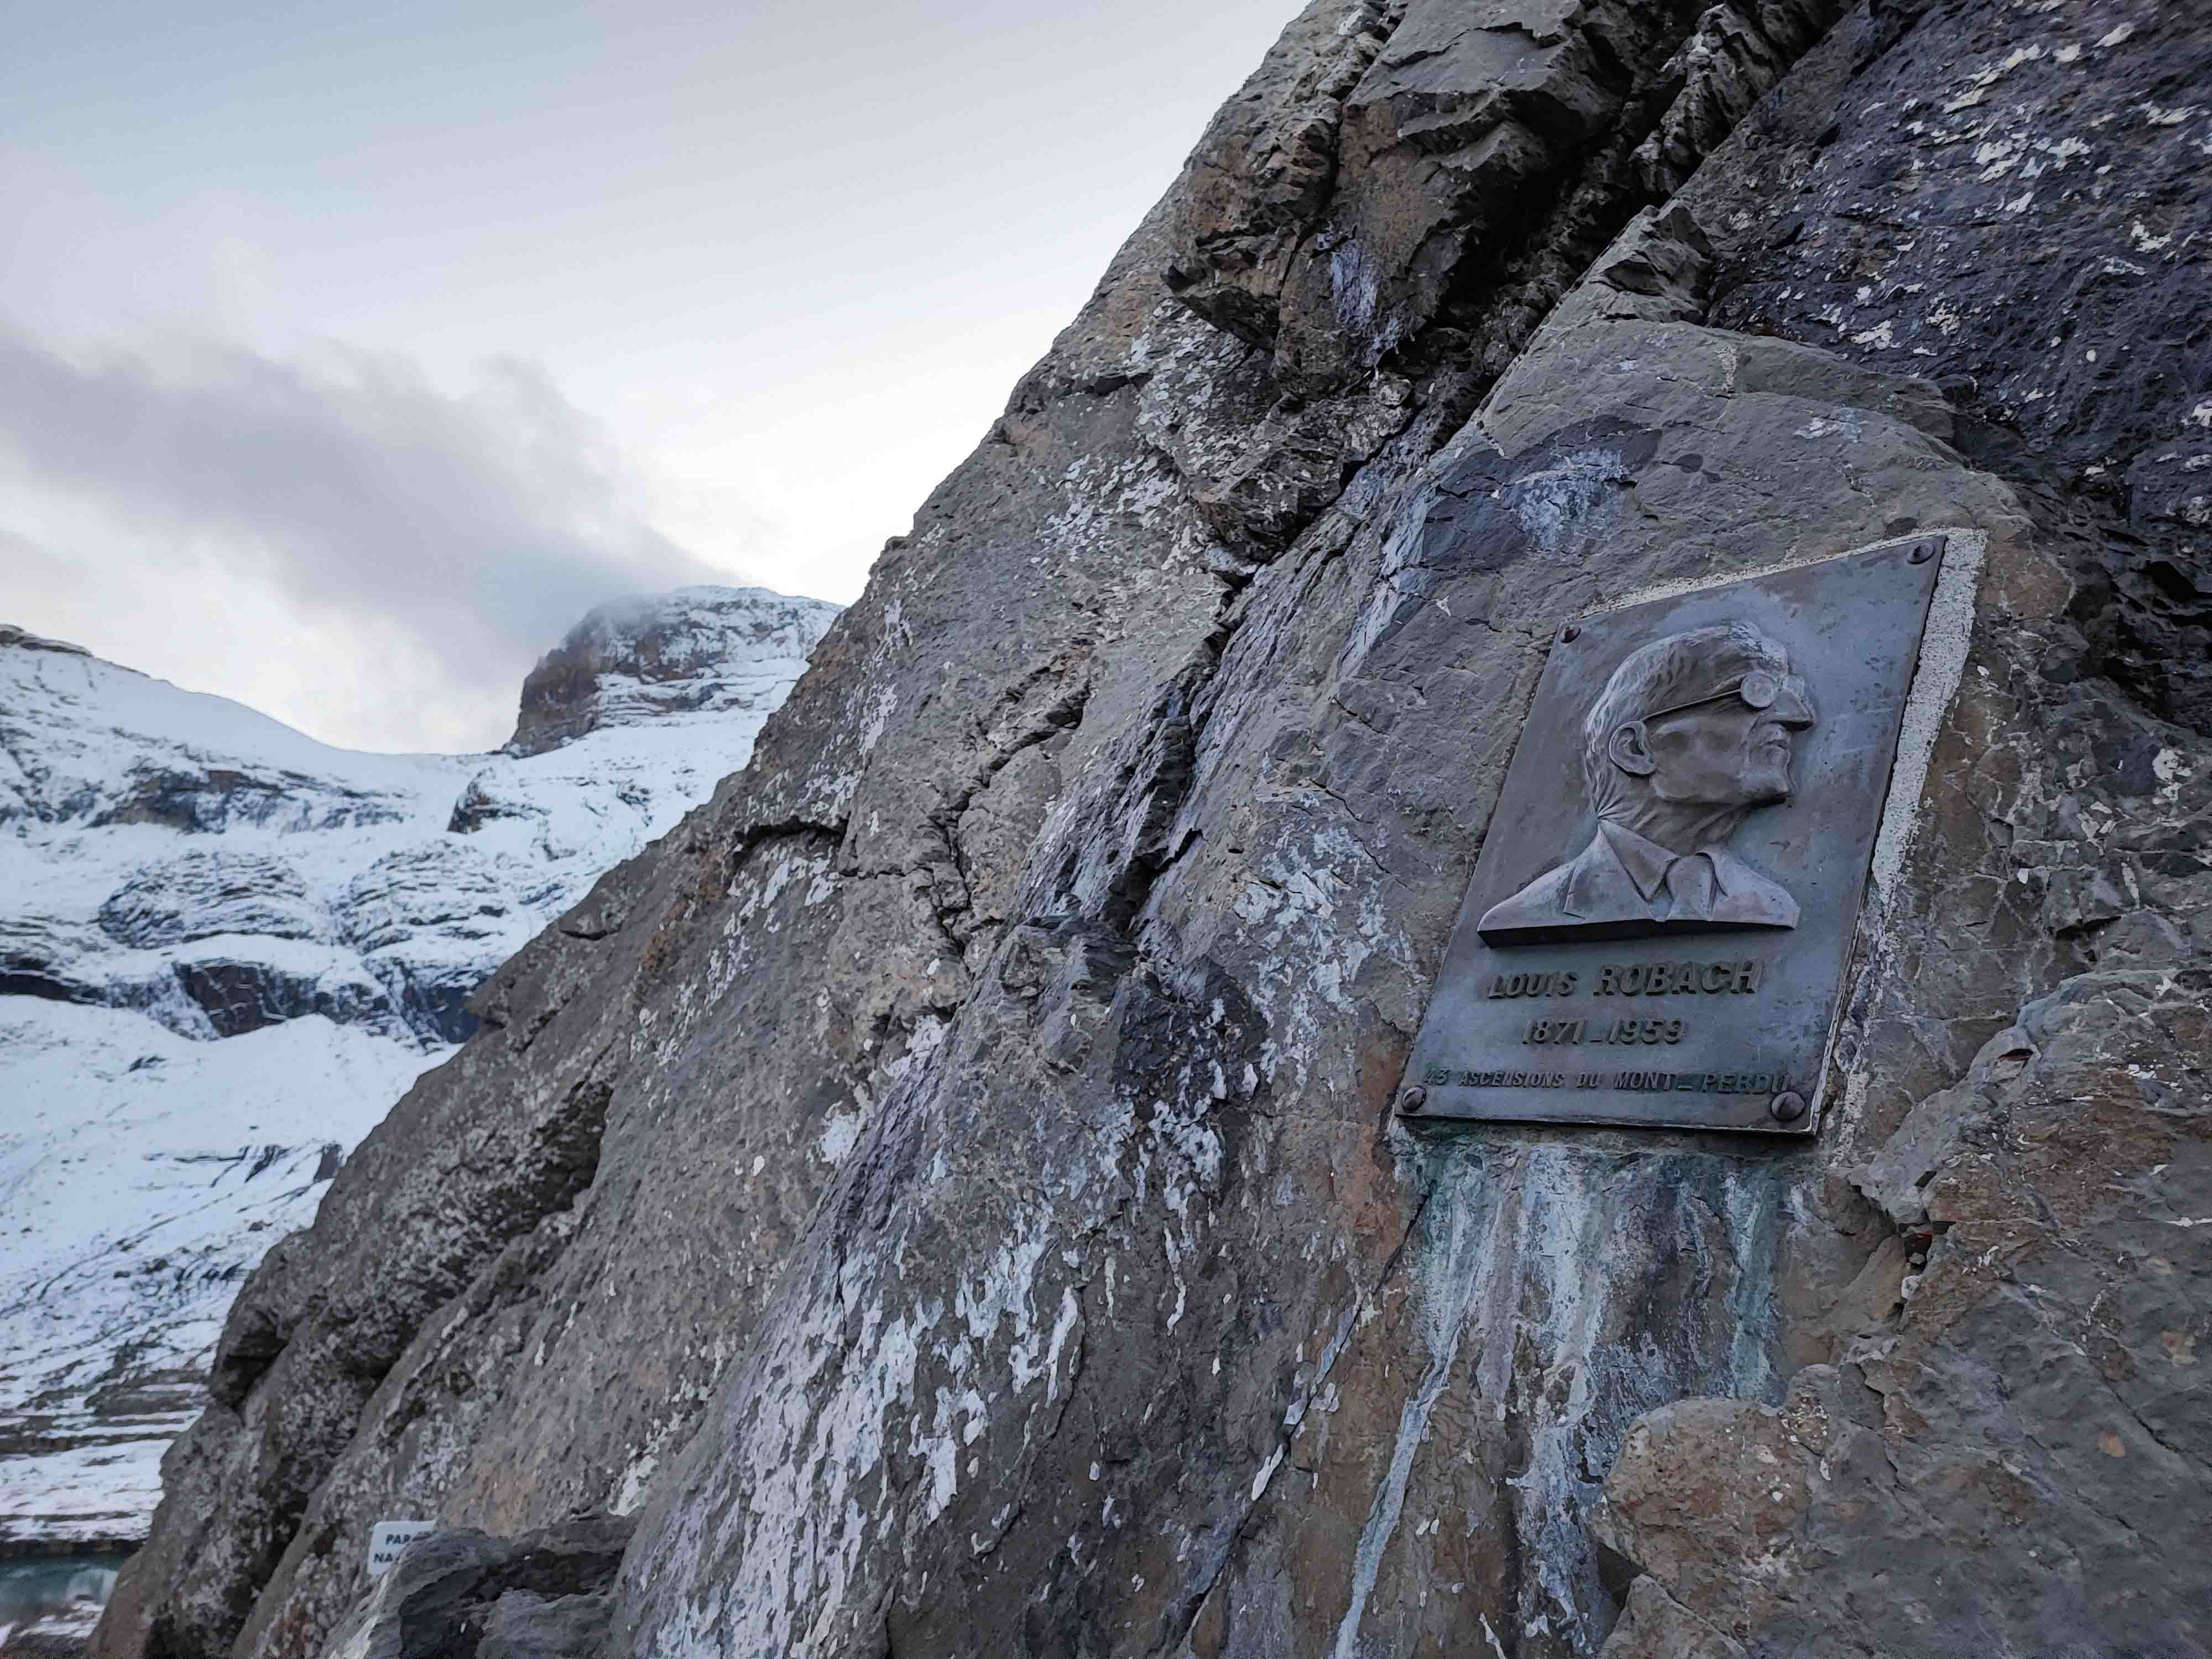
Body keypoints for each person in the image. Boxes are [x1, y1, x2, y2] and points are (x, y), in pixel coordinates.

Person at [1477, 622, 1814, 945]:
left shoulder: (1774, 907)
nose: (1798, 716)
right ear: (1636, 749)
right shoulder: (1525, 916)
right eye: (1754, 693)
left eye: (1791, 693)